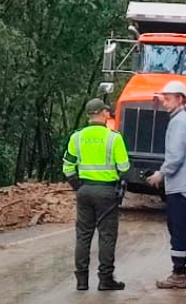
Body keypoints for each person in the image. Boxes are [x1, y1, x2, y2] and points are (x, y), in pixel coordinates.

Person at [146, 80, 186, 289]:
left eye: (167, 99)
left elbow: (175, 155)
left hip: (182, 185)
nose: (164, 103)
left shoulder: (179, 122)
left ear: (180, 99)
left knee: (179, 229)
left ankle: (179, 274)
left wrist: (161, 174)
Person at [62, 98, 129, 292]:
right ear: (103, 113)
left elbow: (67, 166)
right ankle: (105, 279)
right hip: (106, 191)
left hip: (84, 190)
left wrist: (78, 186)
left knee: (83, 235)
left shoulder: (77, 137)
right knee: (107, 235)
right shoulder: (114, 138)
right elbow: (124, 167)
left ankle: (82, 281)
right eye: (107, 111)